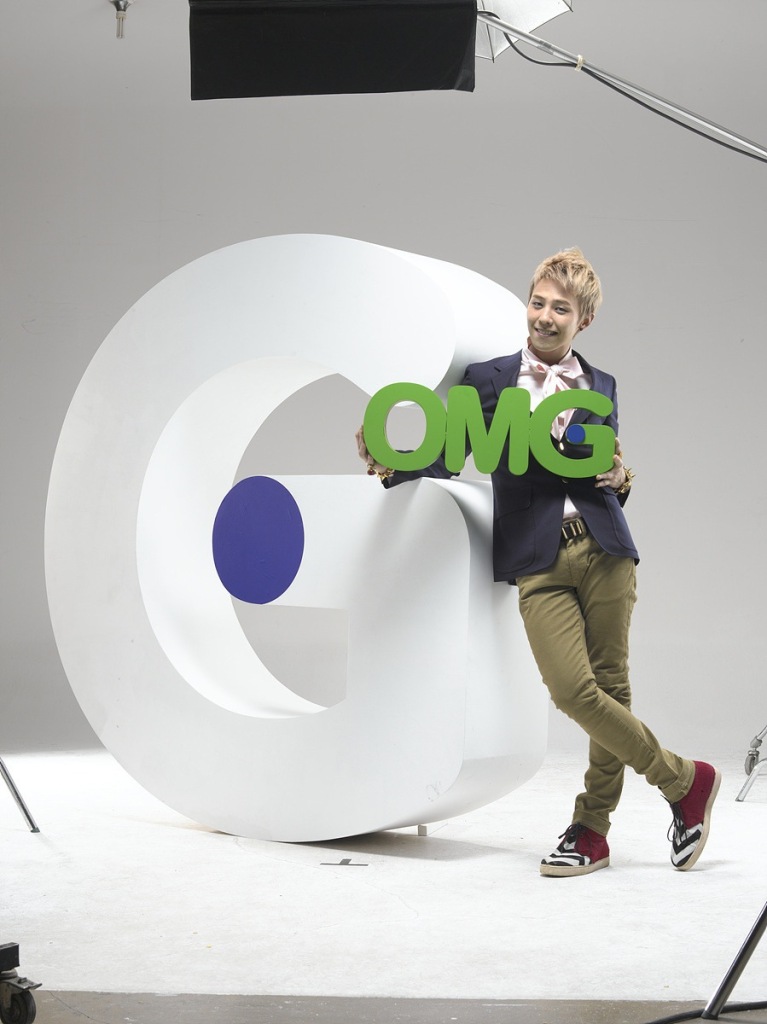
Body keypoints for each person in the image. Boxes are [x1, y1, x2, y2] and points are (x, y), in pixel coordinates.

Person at [356, 247, 720, 877]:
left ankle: (592, 831)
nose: (545, 316)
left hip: (606, 548)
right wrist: (392, 465)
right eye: (538, 302)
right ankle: (684, 780)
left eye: (561, 308)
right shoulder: (488, 380)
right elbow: (448, 458)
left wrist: (621, 476)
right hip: (538, 558)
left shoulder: (601, 385)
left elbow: (603, 472)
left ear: (584, 320)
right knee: (573, 692)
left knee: (612, 689)